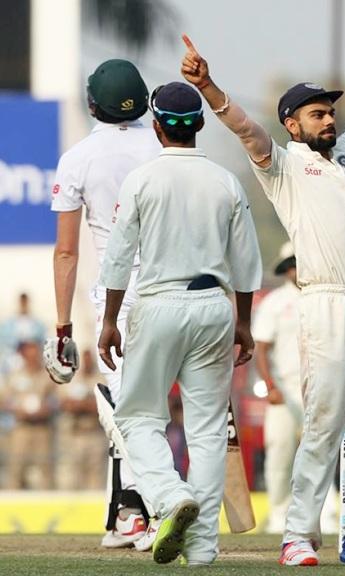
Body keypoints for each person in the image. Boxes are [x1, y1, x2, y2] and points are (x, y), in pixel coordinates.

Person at [180, 0, 345, 566]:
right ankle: (299, 534)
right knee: (323, 422)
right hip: (322, 303)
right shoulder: (282, 165)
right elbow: (246, 128)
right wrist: (210, 87)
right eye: (317, 114)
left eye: (329, 111)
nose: (329, 119)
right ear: (293, 123)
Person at [97, 81, 262, 566]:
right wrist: (244, 323)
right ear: (200, 126)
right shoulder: (224, 181)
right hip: (215, 305)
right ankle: (203, 546)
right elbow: (247, 262)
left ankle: (169, 497)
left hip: (159, 303)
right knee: (208, 431)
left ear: (156, 126)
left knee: (137, 418)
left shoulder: (144, 179)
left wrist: (109, 320)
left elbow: (119, 255)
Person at [44, 58, 160, 549]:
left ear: (93, 104)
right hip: (174, 287)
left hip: (120, 297)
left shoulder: (79, 157)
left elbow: (67, 250)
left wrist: (63, 327)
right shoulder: (165, 146)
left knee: (126, 408)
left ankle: (143, 510)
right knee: (148, 406)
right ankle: (127, 512)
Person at [253, 242, 339, 535]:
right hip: (285, 390)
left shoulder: (325, 299)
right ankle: (279, 513)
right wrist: (270, 386)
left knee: (322, 451)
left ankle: (325, 514)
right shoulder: (275, 302)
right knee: (280, 451)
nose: (295, 269)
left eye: (299, 263)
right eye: (290, 264)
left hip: (320, 386)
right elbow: (260, 348)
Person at [1, 340, 57, 490]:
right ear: (23, 355)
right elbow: (4, 401)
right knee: (16, 470)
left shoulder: (47, 375)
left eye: (35, 352)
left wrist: (47, 409)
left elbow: (58, 400)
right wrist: (17, 409)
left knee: (45, 470)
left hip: (42, 429)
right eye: (29, 353)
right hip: (21, 429)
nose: (33, 356)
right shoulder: (14, 376)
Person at [56, 349, 107, 490]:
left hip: (94, 433)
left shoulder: (100, 380)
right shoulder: (71, 379)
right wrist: (82, 404)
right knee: (71, 477)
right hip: (74, 433)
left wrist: (83, 405)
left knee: (95, 477)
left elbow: (104, 405)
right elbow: (63, 403)